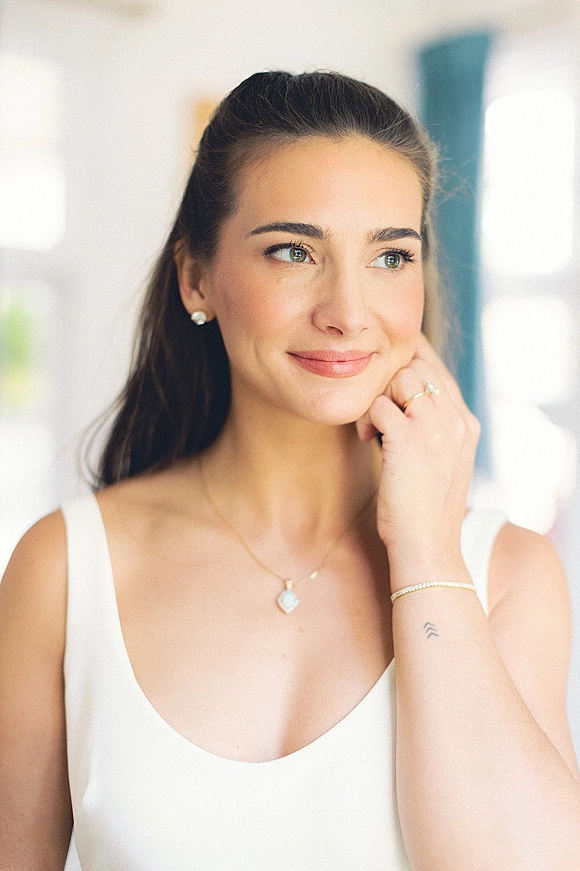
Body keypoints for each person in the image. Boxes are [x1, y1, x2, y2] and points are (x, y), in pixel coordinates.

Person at [1, 70, 579, 871]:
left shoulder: (508, 573)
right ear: (196, 276)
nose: (347, 309)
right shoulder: (65, 569)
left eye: (389, 255)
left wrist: (427, 554)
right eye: (293, 250)